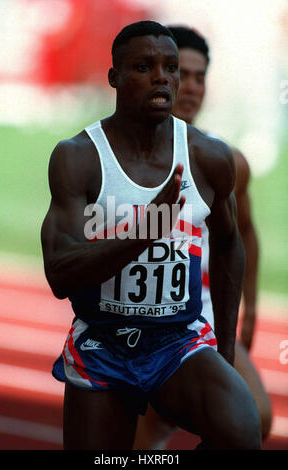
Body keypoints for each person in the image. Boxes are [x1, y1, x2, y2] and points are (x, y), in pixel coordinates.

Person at [41, 20, 261, 450]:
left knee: (242, 431)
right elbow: (59, 275)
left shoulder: (208, 156)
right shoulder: (79, 158)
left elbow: (232, 244)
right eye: (144, 67)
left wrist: (226, 351)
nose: (162, 77)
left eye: (171, 67)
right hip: (102, 343)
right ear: (115, 78)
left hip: (177, 341)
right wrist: (142, 233)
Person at [134, 25, 271, 450]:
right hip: (136, 320)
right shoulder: (119, 156)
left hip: (204, 318)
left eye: (200, 76)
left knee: (255, 418)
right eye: (181, 73)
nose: (190, 87)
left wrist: (247, 316)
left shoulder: (228, 161)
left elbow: (243, 235)